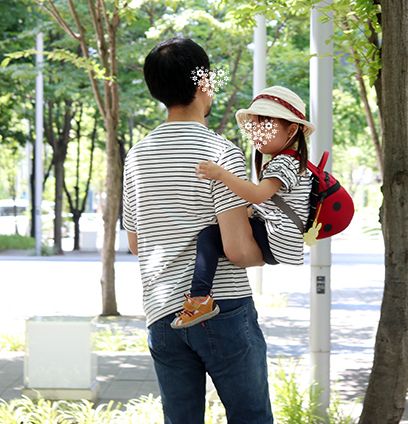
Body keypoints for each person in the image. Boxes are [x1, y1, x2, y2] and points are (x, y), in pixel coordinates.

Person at [122, 37, 273, 424]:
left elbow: (137, 243)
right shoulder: (220, 153)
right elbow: (238, 250)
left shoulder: (137, 156)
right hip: (223, 308)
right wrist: (276, 250)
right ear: (203, 81)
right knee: (251, 417)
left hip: (162, 313)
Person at [171, 86, 315, 329]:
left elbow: (258, 196)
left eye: (265, 124)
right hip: (274, 237)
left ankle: (199, 299)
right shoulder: (287, 161)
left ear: (292, 129)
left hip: (273, 241)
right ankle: (200, 295)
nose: (256, 131)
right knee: (216, 234)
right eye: (254, 125)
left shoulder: (286, 162)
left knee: (208, 236)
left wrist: (221, 174)